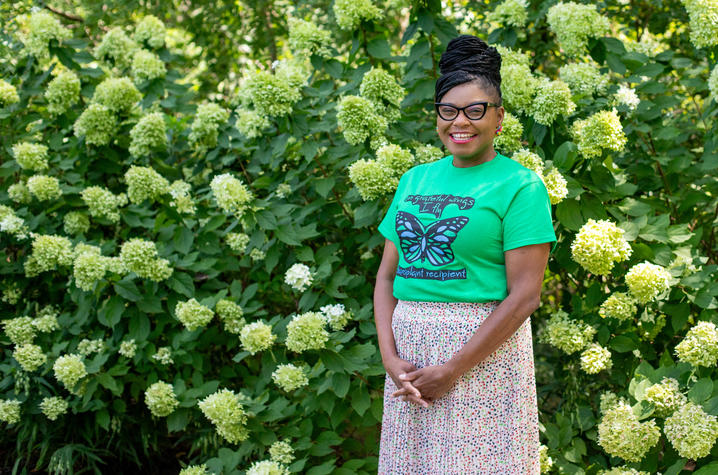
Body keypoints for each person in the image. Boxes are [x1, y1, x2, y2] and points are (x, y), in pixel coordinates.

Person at [374, 34, 557, 474]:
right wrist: (390, 358)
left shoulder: (520, 186)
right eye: (449, 110)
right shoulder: (414, 180)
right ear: (437, 116)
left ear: (498, 118)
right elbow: (385, 279)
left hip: (479, 358)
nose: (461, 121)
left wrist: (452, 369)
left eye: (476, 110)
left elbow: (525, 296)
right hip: (409, 360)